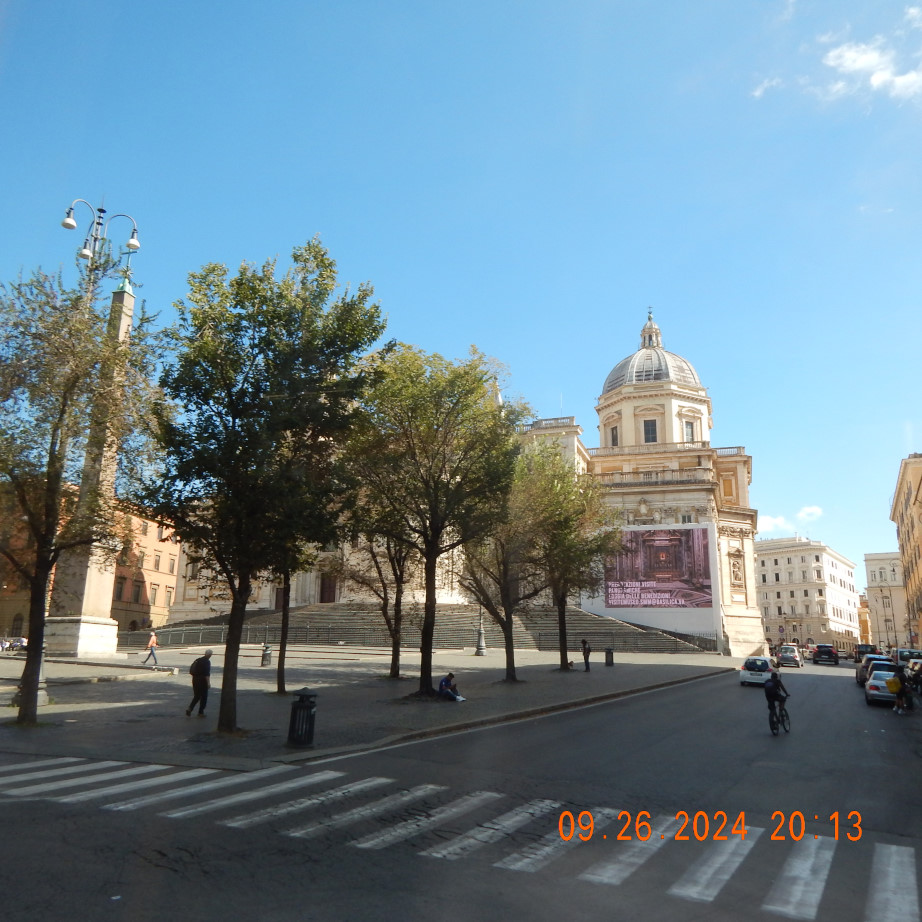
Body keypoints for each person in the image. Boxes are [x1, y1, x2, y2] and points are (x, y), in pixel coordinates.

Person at [186, 649, 214, 717]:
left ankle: (190, 708)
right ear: (210, 655)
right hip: (202, 681)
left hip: (195, 680)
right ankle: (200, 712)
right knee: (204, 697)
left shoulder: (198, 660)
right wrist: (208, 683)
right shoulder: (207, 662)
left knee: (197, 696)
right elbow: (207, 674)